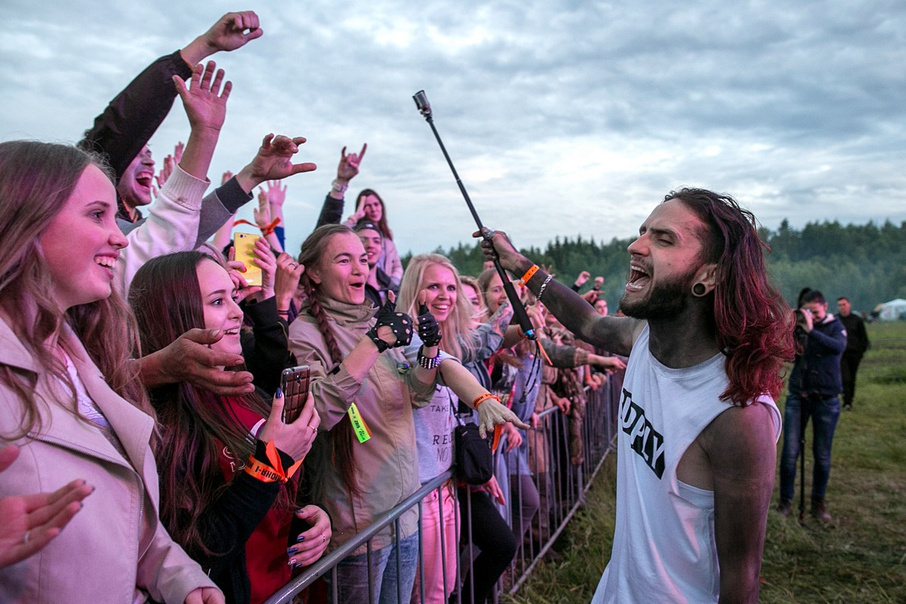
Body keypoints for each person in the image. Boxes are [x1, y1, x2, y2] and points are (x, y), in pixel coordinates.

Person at [478, 188, 796, 603]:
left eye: (663, 239)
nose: (636, 245)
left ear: (709, 276)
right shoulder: (643, 338)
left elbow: (742, 578)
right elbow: (588, 322)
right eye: (643, 232)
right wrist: (519, 264)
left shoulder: (737, 413)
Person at [0, 140, 222, 603]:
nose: (121, 236)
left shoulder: (82, 359)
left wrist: (178, 577)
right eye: (97, 215)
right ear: (27, 220)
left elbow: (122, 515)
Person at [129, 251, 329, 603]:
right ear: (176, 315)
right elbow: (194, 559)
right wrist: (269, 466)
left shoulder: (250, 392)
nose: (238, 312)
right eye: (218, 301)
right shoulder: (161, 426)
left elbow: (267, 505)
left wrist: (307, 521)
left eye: (233, 297)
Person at [287, 224, 438, 604]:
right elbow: (317, 413)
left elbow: (415, 396)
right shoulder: (305, 334)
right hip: (358, 531)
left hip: (402, 514)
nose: (360, 270)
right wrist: (373, 343)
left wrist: (431, 350)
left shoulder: (374, 322)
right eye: (344, 260)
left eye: (364, 260)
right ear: (315, 274)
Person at [778, 289, 846, 522]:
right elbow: (789, 355)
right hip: (798, 395)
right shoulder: (802, 328)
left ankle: (818, 503)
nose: (812, 317)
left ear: (825, 307)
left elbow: (837, 348)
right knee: (789, 453)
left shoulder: (835, 326)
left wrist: (812, 330)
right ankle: (785, 502)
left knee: (822, 454)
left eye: (815, 312)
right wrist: (789, 329)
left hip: (826, 398)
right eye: (808, 312)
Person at [836, 296, 870, 410]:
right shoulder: (836, 320)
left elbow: (863, 338)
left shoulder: (857, 320)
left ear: (849, 305)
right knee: (845, 378)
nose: (842, 307)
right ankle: (846, 402)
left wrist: (861, 352)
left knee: (852, 378)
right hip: (841, 354)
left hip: (854, 354)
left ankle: (849, 400)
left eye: (844, 304)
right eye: (840, 305)